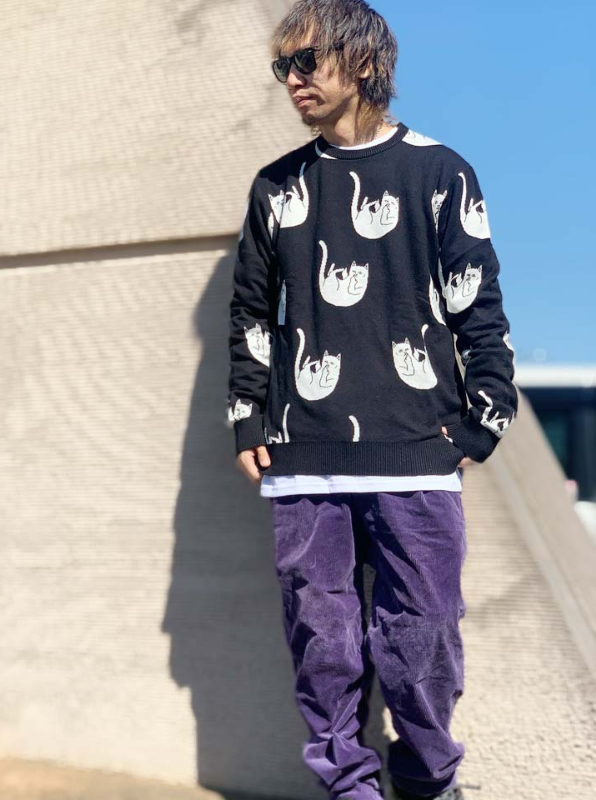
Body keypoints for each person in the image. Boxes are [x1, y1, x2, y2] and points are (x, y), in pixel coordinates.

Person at [225, 2, 519, 799]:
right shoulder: (277, 188)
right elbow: (250, 311)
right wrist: (247, 417)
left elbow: (479, 307)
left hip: (416, 452)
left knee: (424, 642)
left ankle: (430, 785)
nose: (292, 80)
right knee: (322, 646)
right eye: (282, 66)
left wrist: (482, 421)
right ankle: (349, 788)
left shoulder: (440, 173)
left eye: (306, 61)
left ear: (362, 61)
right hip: (304, 458)